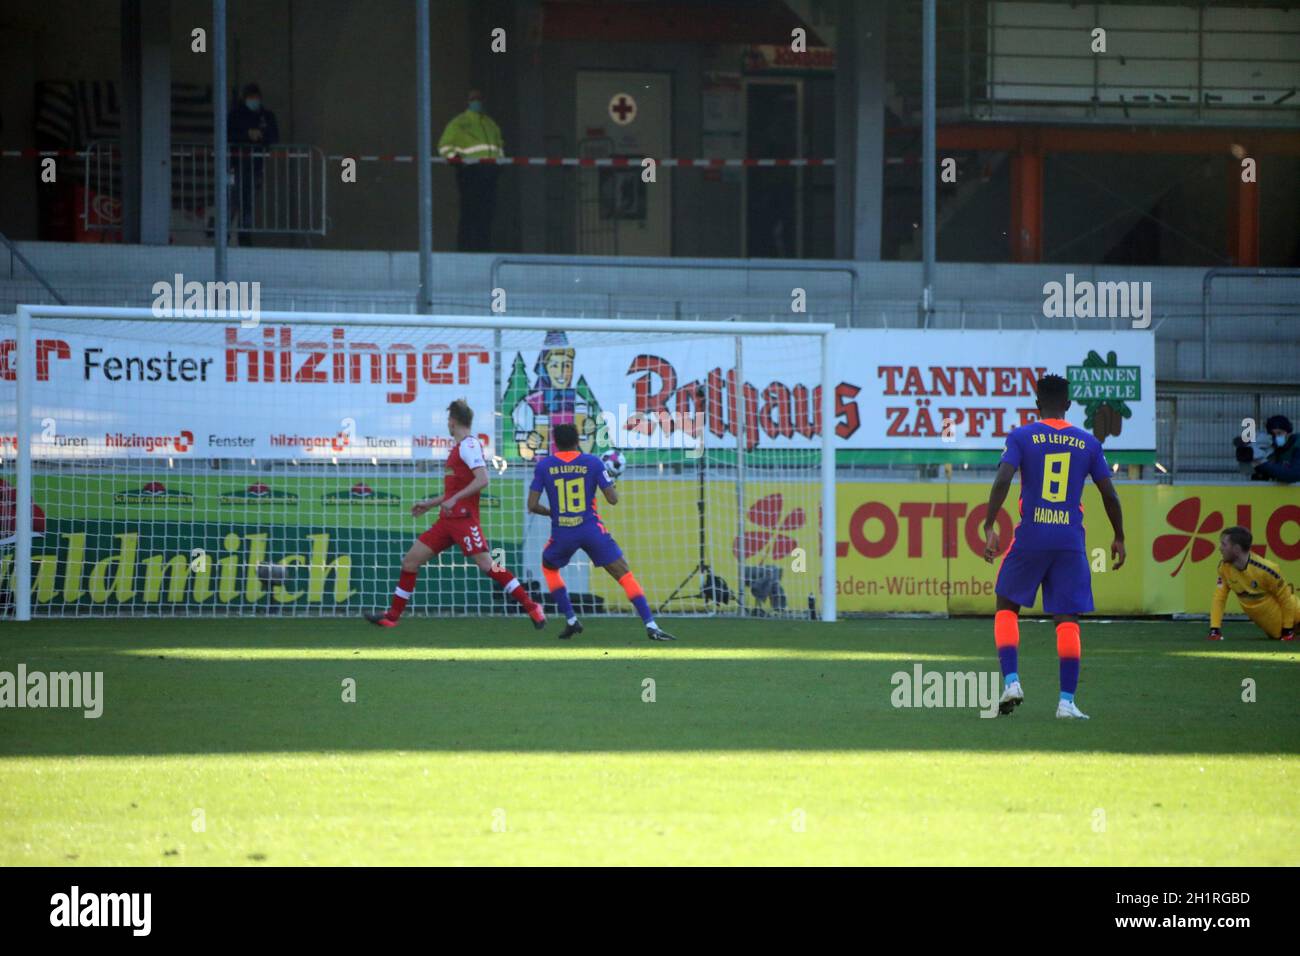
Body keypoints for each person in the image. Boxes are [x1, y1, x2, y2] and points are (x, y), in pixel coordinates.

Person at [981, 374, 1126, 720]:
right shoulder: (1088, 443)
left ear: (1036, 404)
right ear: (1068, 405)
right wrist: (1119, 536)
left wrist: (989, 524)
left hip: (1031, 535)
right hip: (1069, 541)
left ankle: (1012, 681)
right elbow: (1109, 493)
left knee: (1006, 605)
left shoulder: (1021, 436)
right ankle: (1066, 702)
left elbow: (1003, 478)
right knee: (1067, 618)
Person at [365, 399, 546, 629]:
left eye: (448, 420)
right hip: (447, 521)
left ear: (452, 421)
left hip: (464, 520)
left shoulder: (469, 446)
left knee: (489, 565)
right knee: (410, 561)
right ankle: (392, 617)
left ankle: (531, 606)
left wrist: (455, 499)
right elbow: (454, 491)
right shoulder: (460, 448)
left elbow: (483, 479)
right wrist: (431, 503)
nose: (448, 425)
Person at [527, 423, 676, 641]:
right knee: (623, 573)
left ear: (555, 443)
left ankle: (571, 619)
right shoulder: (593, 462)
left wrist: (553, 513)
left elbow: (532, 505)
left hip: (563, 532)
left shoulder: (544, 466)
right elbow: (612, 499)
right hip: (590, 530)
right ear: (578, 441)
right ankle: (651, 625)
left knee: (549, 567)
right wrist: (610, 480)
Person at [438, 89, 504, 251]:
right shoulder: (459, 123)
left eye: (479, 99)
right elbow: (444, 146)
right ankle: (466, 249)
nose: (477, 102)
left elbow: (500, 147)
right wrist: (456, 161)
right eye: (474, 99)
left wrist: (499, 164)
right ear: (468, 101)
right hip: (470, 172)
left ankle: (483, 248)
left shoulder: (491, 124)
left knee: (487, 213)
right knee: (470, 212)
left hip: (489, 172)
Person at [1207, 526, 1297, 641]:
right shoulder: (1224, 568)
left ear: (1236, 549)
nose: (1220, 548)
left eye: (1224, 544)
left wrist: (1288, 629)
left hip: (1295, 618)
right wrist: (1214, 628)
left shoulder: (1267, 570)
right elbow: (1219, 598)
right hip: (1276, 631)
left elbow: (1286, 599)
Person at [226, 82, 279, 245]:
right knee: (232, 199)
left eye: (256, 97)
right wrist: (247, 135)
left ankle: (244, 235)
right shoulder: (235, 115)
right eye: (250, 97)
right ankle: (224, 234)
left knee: (248, 201)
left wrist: (260, 136)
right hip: (235, 166)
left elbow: (274, 137)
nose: (254, 101)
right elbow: (228, 134)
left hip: (255, 166)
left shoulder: (266, 116)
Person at [1250, 415, 1299, 484]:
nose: (1276, 437)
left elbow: (1293, 474)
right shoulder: (1274, 447)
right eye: (1272, 434)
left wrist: (1263, 463)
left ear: (1289, 433)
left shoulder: (1297, 443)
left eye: (1279, 433)